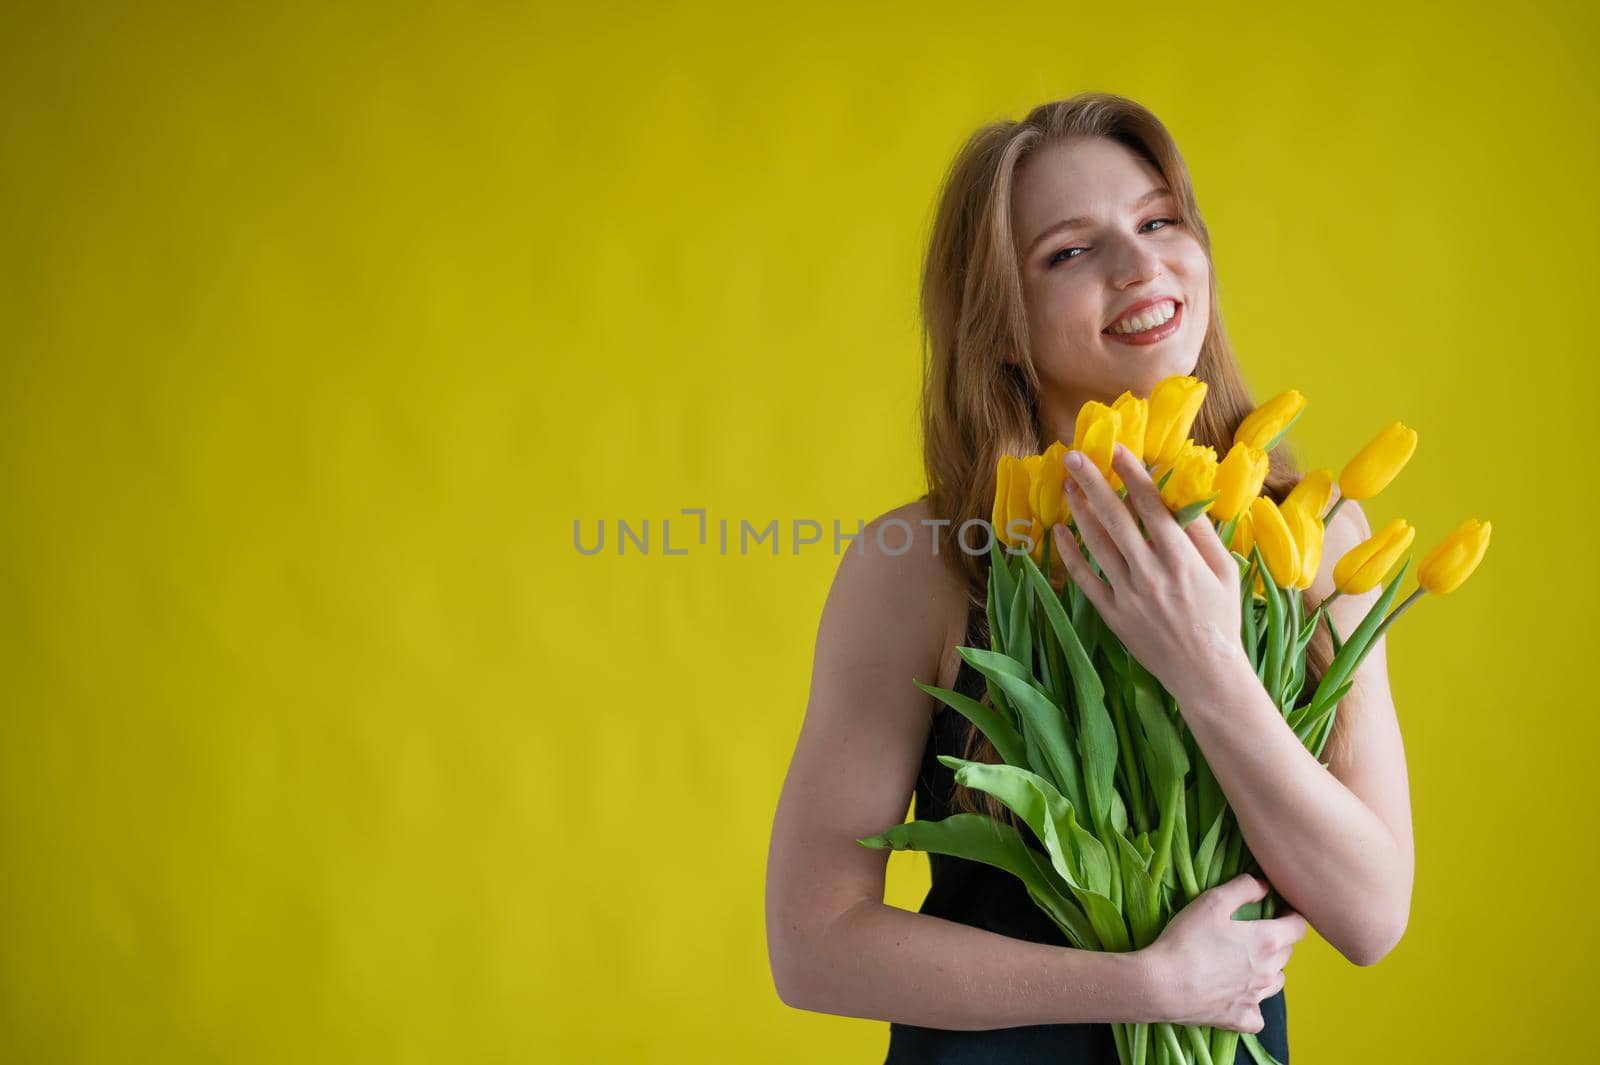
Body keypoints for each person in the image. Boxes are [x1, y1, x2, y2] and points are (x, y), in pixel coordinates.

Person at [764, 92, 1415, 1063]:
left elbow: (1369, 916)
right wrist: (1144, 986)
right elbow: (812, 946)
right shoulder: (925, 564)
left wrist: (1206, 664)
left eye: (1159, 221)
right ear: (997, 326)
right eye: (1068, 251)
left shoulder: (1309, 535)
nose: (1140, 263)